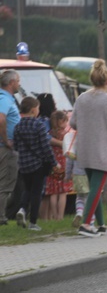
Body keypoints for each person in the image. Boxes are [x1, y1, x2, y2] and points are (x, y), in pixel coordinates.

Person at [70, 59, 107, 237]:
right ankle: (86, 224)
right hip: (103, 151)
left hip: (84, 150)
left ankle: (102, 224)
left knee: (96, 187)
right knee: (96, 188)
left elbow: (72, 122)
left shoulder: (81, 98)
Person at [13, 96, 59, 231]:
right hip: (38, 165)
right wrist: (54, 162)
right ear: (34, 110)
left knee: (27, 190)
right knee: (36, 193)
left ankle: (22, 209)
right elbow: (45, 146)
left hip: (23, 165)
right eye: (38, 108)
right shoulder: (38, 125)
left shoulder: (18, 126)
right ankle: (33, 222)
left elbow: (16, 146)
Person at [42, 110, 73, 220]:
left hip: (53, 164)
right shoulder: (65, 135)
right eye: (65, 121)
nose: (66, 124)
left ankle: (54, 216)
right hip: (63, 164)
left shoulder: (50, 134)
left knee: (53, 193)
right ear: (61, 121)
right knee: (63, 192)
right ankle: (60, 216)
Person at [0, 69, 21, 225]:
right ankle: (1, 217)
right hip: (6, 148)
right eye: (18, 81)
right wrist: (6, 140)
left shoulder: (6, 98)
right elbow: (1, 119)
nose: (19, 84)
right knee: (6, 183)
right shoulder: (4, 98)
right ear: (11, 82)